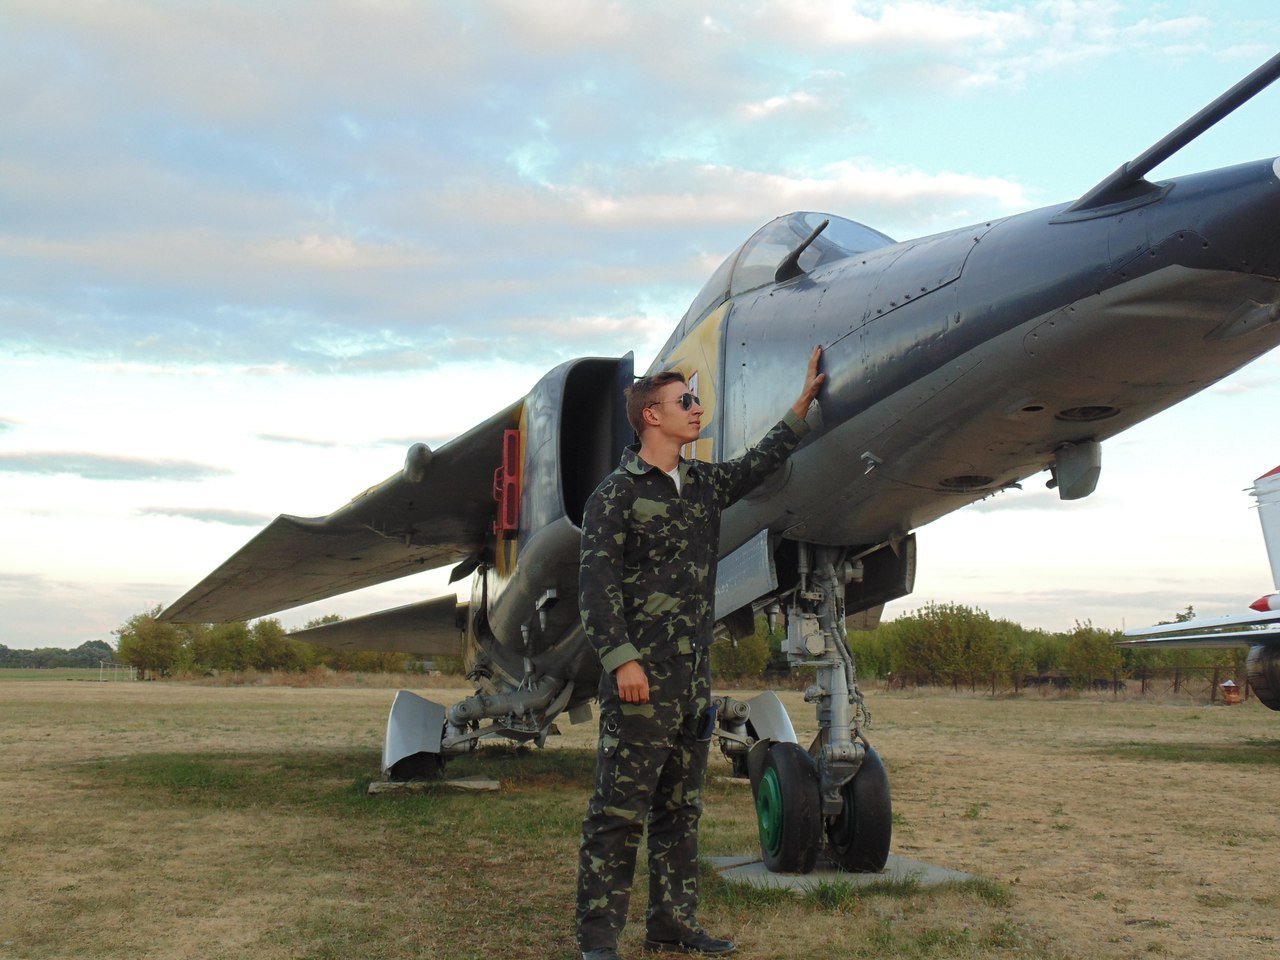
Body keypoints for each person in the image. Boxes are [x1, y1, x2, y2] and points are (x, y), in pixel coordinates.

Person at [576, 347, 826, 960]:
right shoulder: (615, 495)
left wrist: (800, 410)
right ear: (650, 416)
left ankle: (672, 926)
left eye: (696, 400)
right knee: (618, 814)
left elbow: (758, 463)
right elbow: (596, 589)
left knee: (681, 811)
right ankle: (599, 941)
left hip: (691, 681)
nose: (696, 408)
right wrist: (622, 660)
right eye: (684, 401)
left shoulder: (704, 485)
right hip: (640, 680)